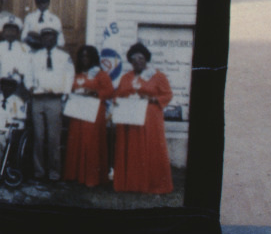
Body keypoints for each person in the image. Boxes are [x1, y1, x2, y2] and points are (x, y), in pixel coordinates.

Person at [112, 42, 173, 195]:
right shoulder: (126, 77)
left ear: (146, 59)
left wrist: (152, 99)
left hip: (150, 120)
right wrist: (121, 101)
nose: (137, 61)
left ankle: (153, 184)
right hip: (130, 119)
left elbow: (167, 94)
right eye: (134, 58)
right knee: (131, 149)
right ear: (130, 61)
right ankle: (131, 184)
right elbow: (117, 95)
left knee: (149, 148)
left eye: (141, 57)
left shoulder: (157, 76)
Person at [63, 45, 115, 188]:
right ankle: (74, 175)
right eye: (82, 56)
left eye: (87, 56)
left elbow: (109, 91)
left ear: (93, 58)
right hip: (77, 112)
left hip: (93, 112)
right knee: (76, 142)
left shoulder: (100, 74)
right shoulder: (77, 74)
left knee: (90, 142)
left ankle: (91, 177)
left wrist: (93, 93)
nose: (84, 59)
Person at [27, 26, 73, 182]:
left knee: (54, 138)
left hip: (54, 99)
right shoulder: (34, 56)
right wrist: (30, 87)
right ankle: (38, 171)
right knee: (38, 136)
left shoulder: (63, 57)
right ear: (41, 39)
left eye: (51, 37)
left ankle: (54, 172)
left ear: (55, 39)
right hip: (38, 99)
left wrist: (64, 96)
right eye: (45, 37)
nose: (48, 39)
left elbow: (69, 77)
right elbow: (28, 75)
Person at [0, 16, 30, 88]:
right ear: (3, 32)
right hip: (0, 85)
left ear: (18, 33)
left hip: (18, 85)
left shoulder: (25, 48)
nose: (10, 33)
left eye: (13, 31)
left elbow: (26, 69)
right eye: (7, 30)